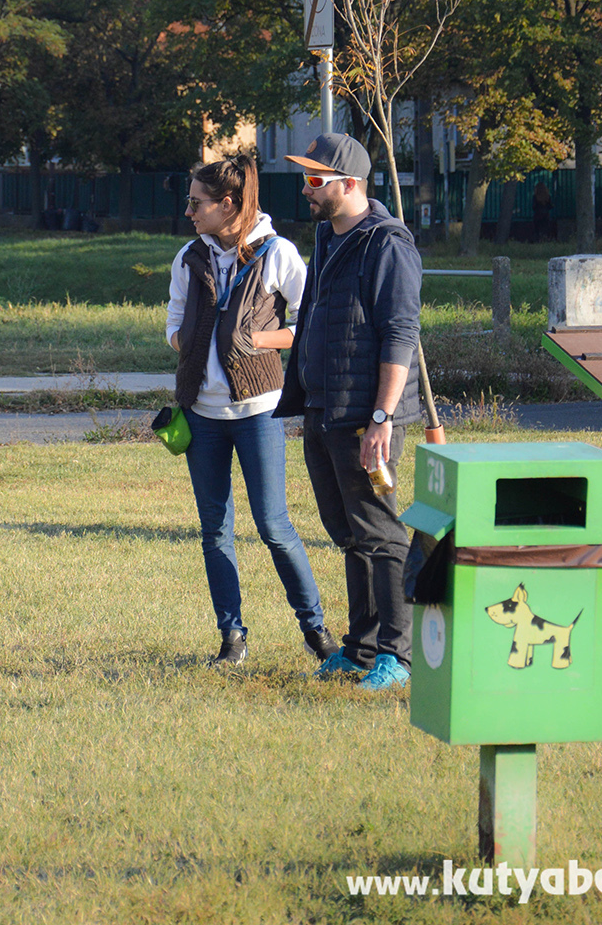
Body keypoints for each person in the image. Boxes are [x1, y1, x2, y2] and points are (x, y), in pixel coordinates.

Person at [166, 154, 340, 667]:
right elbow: (172, 323)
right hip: (201, 414)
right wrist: (192, 341)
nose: (189, 212)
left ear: (227, 205)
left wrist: (254, 339)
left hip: (259, 409)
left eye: (197, 204)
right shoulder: (188, 257)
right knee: (214, 529)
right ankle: (231, 638)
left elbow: (311, 323)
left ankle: (316, 631)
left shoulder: (278, 252)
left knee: (274, 525)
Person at [275, 132, 422, 691]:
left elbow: (400, 335)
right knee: (348, 532)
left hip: (366, 418)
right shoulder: (327, 236)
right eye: (305, 176)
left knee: (380, 533)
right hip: (322, 410)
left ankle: (397, 656)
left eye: (316, 179)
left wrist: (382, 419)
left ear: (350, 184)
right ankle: (359, 649)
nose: (306, 189)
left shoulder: (388, 244)